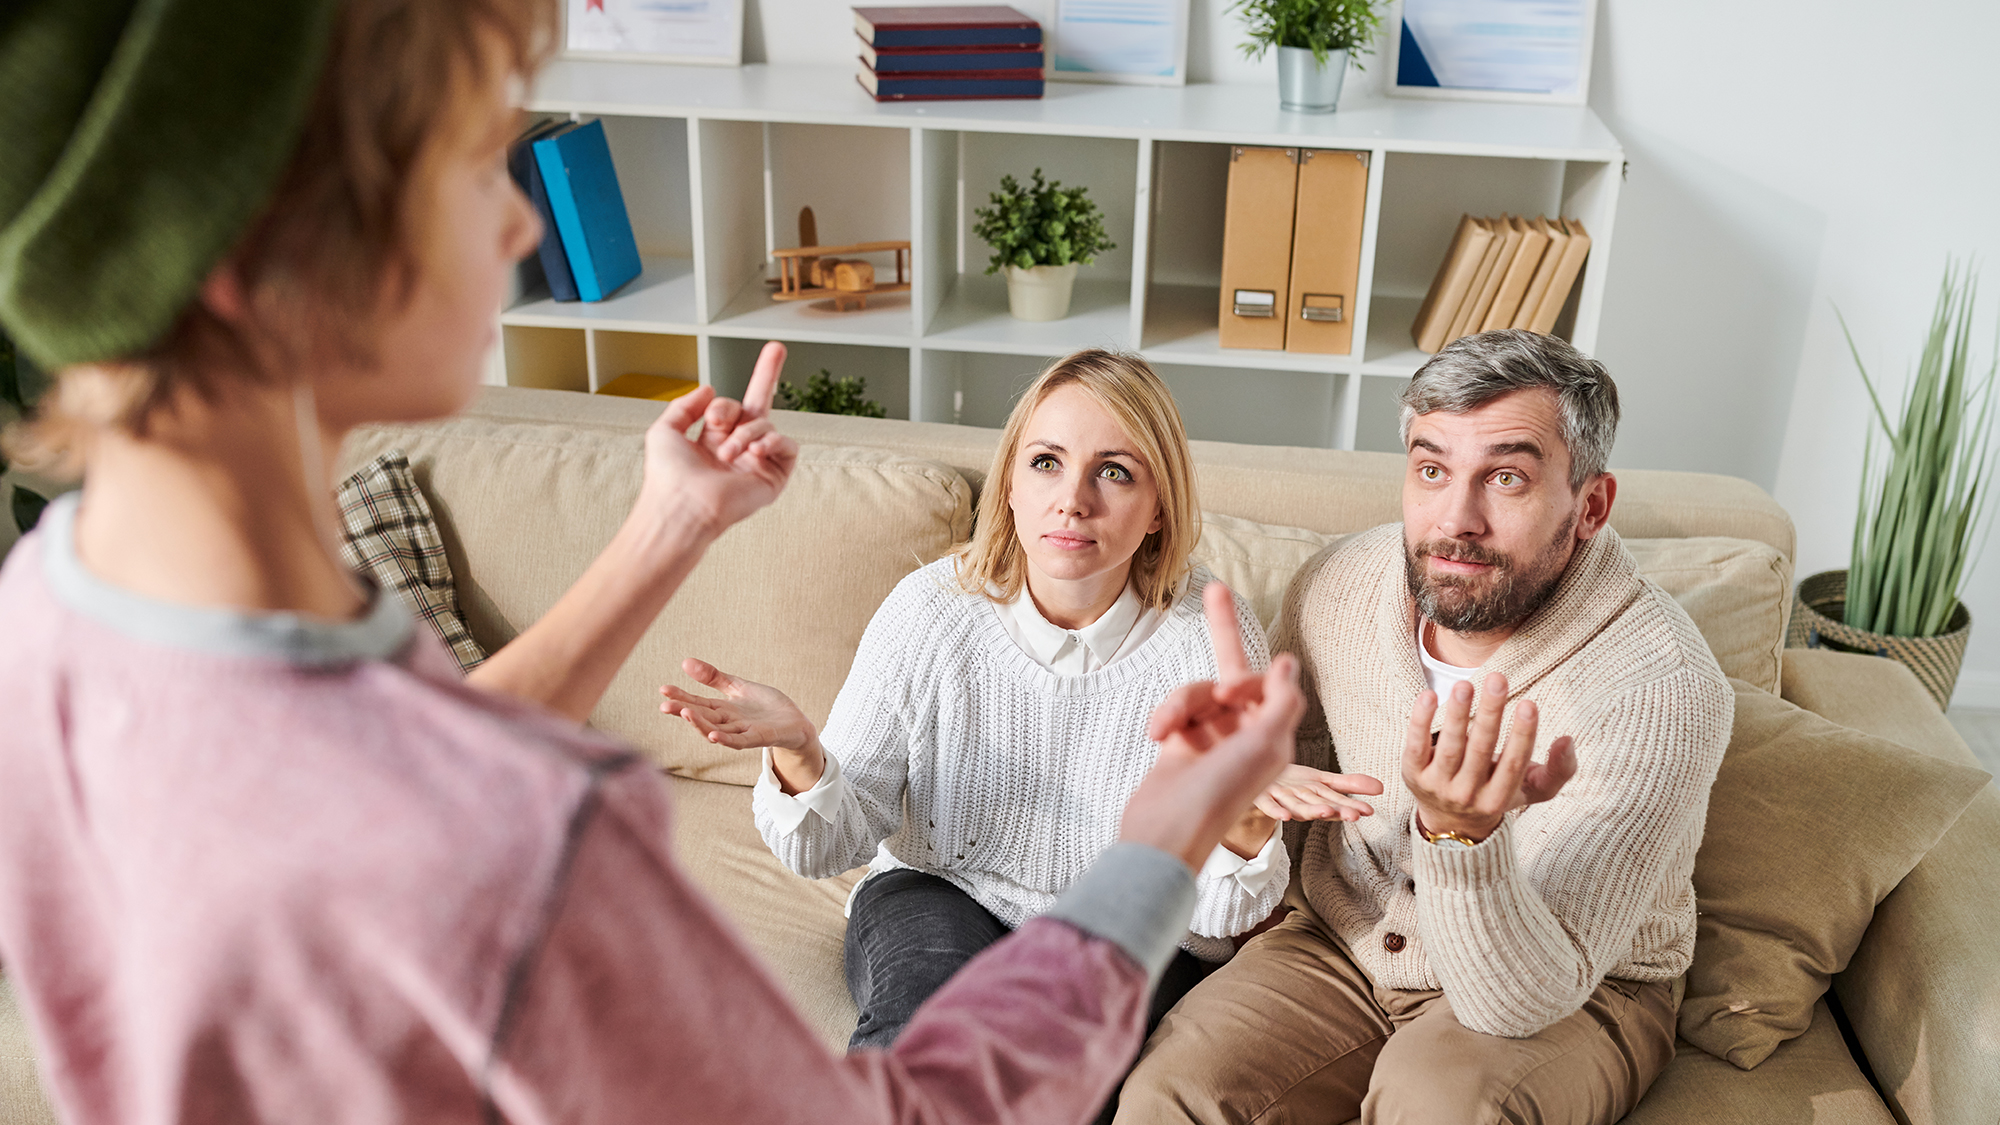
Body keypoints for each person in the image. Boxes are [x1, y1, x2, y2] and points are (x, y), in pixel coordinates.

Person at [0, 3, 1306, 1123]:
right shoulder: (520, 838)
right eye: (473, 165)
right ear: (266, 244)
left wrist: (667, 528)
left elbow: (395, 750)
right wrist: (1164, 832)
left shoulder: (54, 605)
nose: (521, 229)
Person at [662, 351, 1383, 1057]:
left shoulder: (1209, 640)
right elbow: (825, 846)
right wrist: (799, 753)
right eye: (1046, 462)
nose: (1074, 497)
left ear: (1159, 508)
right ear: (1010, 483)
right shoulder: (931, 613)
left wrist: (1245, 815)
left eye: (1114, 471)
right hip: (938, 891)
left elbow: (1223, 917)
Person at [1115, 330, 1734, 1125]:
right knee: (1167, 1094)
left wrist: (1462, 838)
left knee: (1440, 1110)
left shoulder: (1663, 687)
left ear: (1590, 506)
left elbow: (1521, 998)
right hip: (1344, 938)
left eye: (1506, 477)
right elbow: (1281, 830)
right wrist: (1240, 801)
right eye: (1432, 469)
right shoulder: (1337, 588)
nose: (1456, 518)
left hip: (1573, 986)